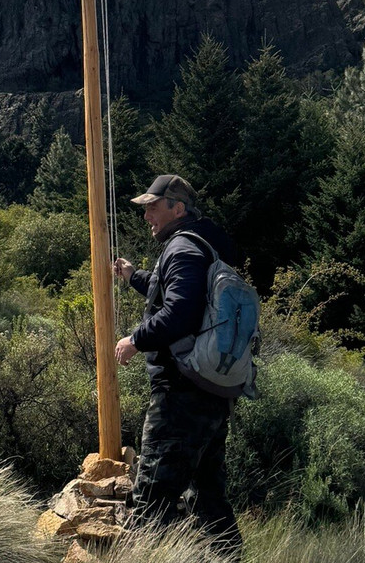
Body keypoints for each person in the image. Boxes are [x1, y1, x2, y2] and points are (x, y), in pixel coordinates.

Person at [113, 173, 242, 554]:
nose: (146, 216)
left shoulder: (183, 248)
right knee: (208, 497)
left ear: (178, 208)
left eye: (153, 207)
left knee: (153, 496)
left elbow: (180, 312)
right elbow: (173, 291)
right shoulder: (203, 243)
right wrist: (132, 276)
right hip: (210, 390)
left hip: (180, 394)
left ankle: (143, 557)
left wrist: (135, 340)